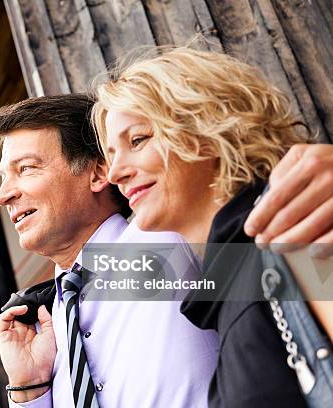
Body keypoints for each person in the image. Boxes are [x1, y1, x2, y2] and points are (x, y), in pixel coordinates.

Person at [0, 93, 333, 406]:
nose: (3, 195)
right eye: (4, 177)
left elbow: (230, 184)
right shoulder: (46, 323)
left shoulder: (165, 236)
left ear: (98, 173)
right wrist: (31, 388)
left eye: (25, 169)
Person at [92, 45, 331, 407]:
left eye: (137, 140)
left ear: (206, 125)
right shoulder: (225, 285)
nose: (115, 173)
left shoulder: (297, 226)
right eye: (111, 155)